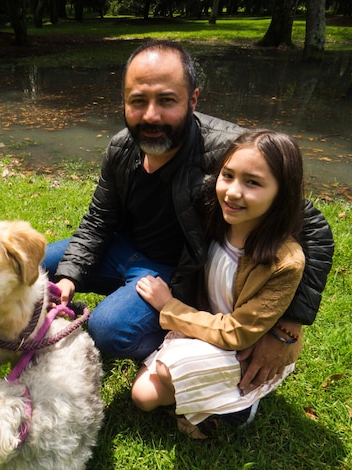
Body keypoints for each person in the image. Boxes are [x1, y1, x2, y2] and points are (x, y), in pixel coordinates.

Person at [42, 39, 334, 397]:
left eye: (167, 100)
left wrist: (287, 325)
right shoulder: (121, 146)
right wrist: (71, 275)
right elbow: (99, 219)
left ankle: (179, 342)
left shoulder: (228, 152)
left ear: (192, 100)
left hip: (176, 272)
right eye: (138, 101)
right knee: (37, 264)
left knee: (108, 331)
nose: (151, 115)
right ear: (125, 102)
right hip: (122, 250)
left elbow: (315, 229)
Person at [131, 129, 306, 438]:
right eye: (228, 175)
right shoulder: (214, 218)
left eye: (252, 182)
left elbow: (236, 333)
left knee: (161, 375)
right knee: (143, 397)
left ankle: (240, 407)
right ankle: (211, 395)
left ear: (282, 193)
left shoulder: (284, 262)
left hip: (243, 349)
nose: (233, 192)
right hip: (206, 329)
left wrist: (168, 305)